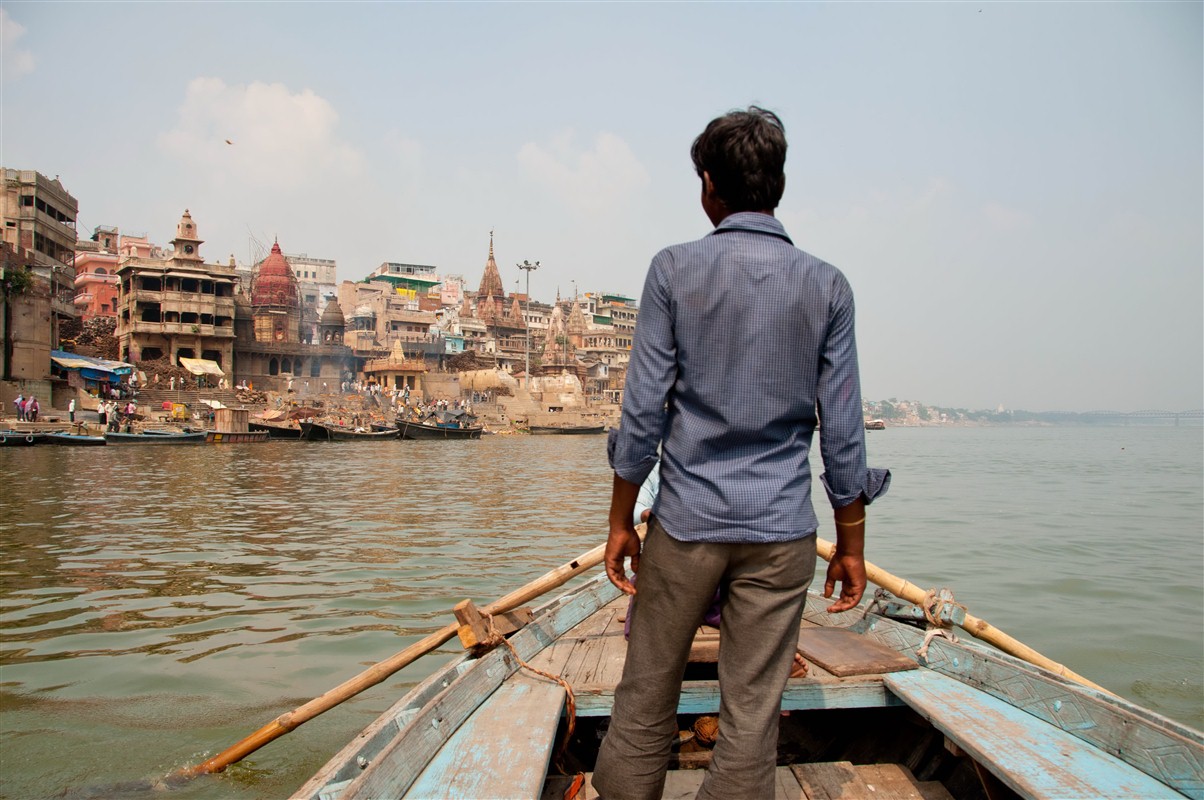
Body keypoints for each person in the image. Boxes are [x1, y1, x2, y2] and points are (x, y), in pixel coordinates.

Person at [595, 106, 889, 800]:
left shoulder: (673, 270)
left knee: (642, 701)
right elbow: (842, 432)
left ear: (708, 187)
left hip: (687, 524)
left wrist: (618, 521)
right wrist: (852, 544)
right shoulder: (828, 286)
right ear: (777, 186)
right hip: (781, 532)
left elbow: (642, 416)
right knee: (752, 721)